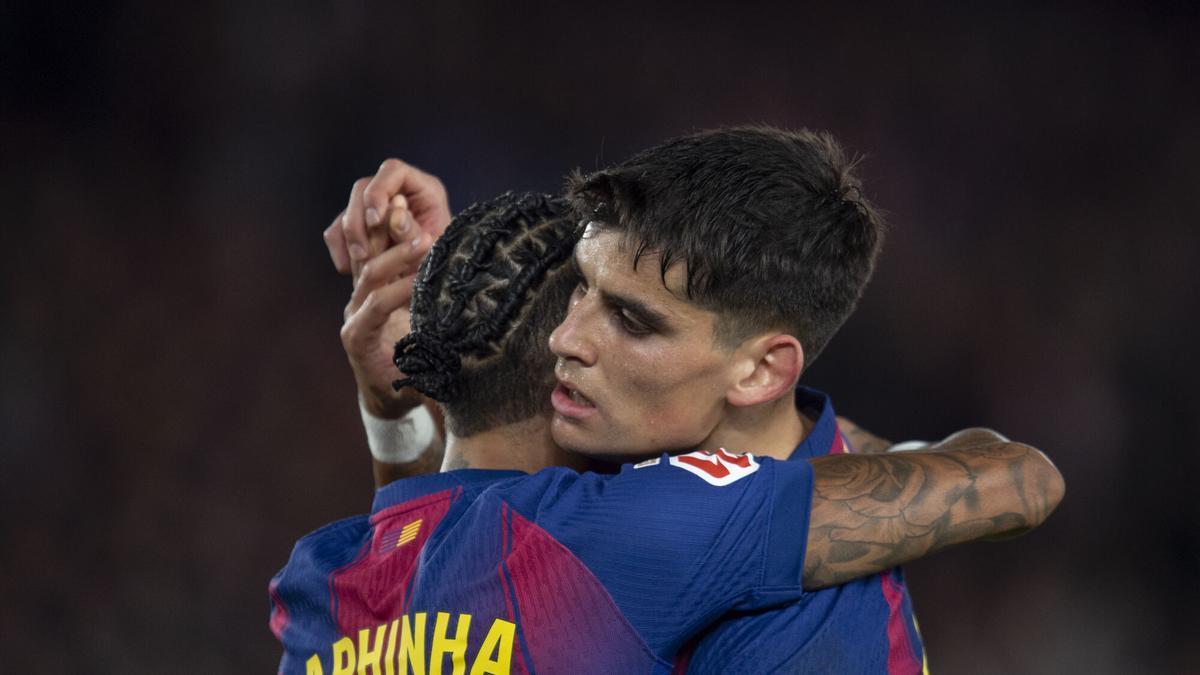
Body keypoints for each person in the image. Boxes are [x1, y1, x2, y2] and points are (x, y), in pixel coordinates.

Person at [273, 134, 1061, 672]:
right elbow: (442, 553)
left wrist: (410, 395)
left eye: (631, 320)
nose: (566, 336)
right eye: (579, 287)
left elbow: (1025, 481)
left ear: (760, 370)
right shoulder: (771, 478)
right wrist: (466, 304)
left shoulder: (764, 603)